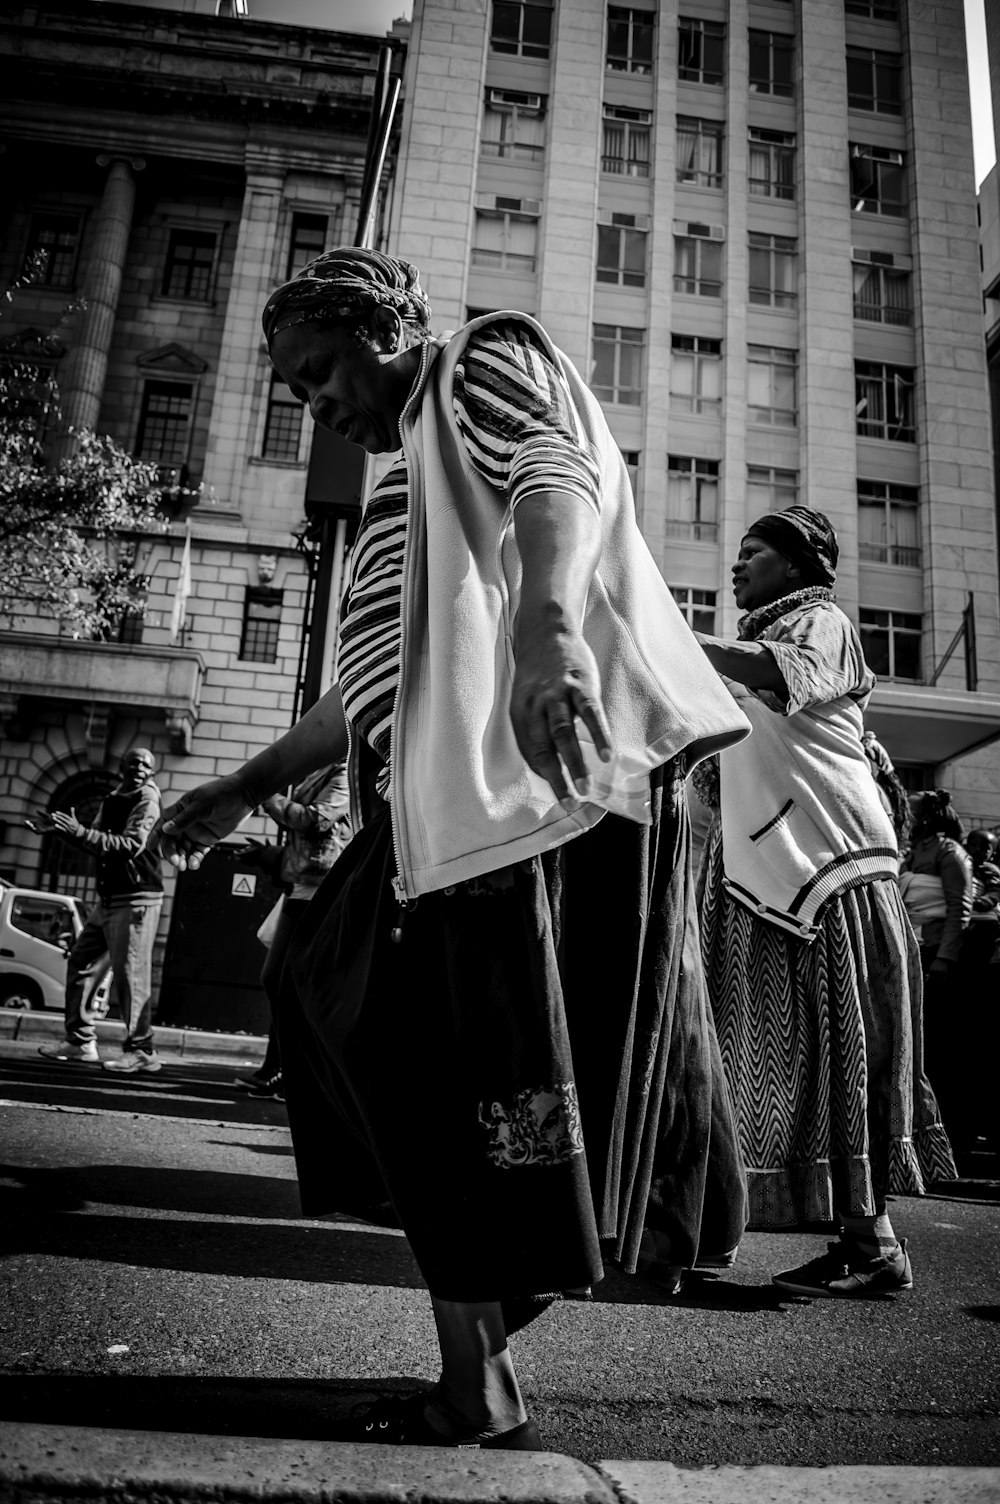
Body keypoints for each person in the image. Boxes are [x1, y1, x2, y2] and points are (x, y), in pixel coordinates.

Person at [151, 246, 751, 1451]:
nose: (310, 401)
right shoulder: (393, 493)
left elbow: (556, 470)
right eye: (294, 386)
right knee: (361, 1026)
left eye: (319, 369)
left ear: (385, 329)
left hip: (538, 796)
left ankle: (487, 1349)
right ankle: (488, 1333)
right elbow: (363, 689)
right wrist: (244, 781)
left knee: (413, 1049)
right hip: (433, 817)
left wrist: (545, 632)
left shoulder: (478, 363)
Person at [691, 506, 956, 1298]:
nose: (739, 565)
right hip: (768, 875)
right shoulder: (743, 656)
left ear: (799, 565)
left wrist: (663, 634)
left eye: (755, 552)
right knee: (773, 1063)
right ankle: (836, 1236)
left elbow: (777, 675)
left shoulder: (822, 623)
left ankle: (869, 1240)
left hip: (829, 872)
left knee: (839, 1060)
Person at [35, 747, 164, 1072]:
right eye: (133, 762)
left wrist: (79, 832)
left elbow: (131, 845)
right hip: (109, 899)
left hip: (136, 899)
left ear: (152, 772)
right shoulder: (112, 798)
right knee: (81, 959)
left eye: (145, 764)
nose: (138, 767)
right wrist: (65, 831)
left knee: (130, 975)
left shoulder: (147, 800)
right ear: (121, 766)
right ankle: (79, 1041)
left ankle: (141, 1050)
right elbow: (93, 837)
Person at [234, 762, 351, 1099]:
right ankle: (278, 1069)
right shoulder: (314, 772)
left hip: (320, 887)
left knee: (289, 983)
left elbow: (317, 820)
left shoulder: (341, 772)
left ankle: (288, 1071)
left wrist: (268, 798)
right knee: (280, 981)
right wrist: (266, 854)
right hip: (301, 883)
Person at [901, 791, 975, 1149]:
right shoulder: (910, 852)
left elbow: (959, 908)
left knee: (941, 1049)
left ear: (927, 817)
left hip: (937, 960)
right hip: (913, 956)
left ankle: (951, 1136)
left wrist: (945, 959)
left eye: (911, 810)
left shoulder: (951, 853)